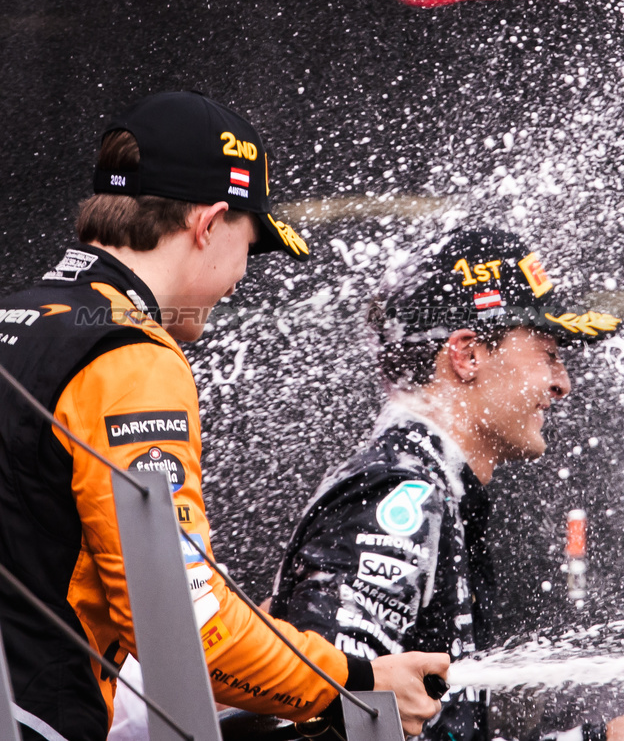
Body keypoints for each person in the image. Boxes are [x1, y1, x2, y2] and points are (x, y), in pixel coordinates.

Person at [0, 92, 449, 741]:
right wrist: (354, 682)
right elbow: (183, 628)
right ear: (208, 226)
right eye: (249, 245)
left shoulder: (20, 319)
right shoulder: (129, 356)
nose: (240, 278)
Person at [269, 229, 624, 741]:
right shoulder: (402, 494)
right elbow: (323, 727)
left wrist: (611, 738)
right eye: (548, 353)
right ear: (467, 355)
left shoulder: (430, 488)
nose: (562, 384)